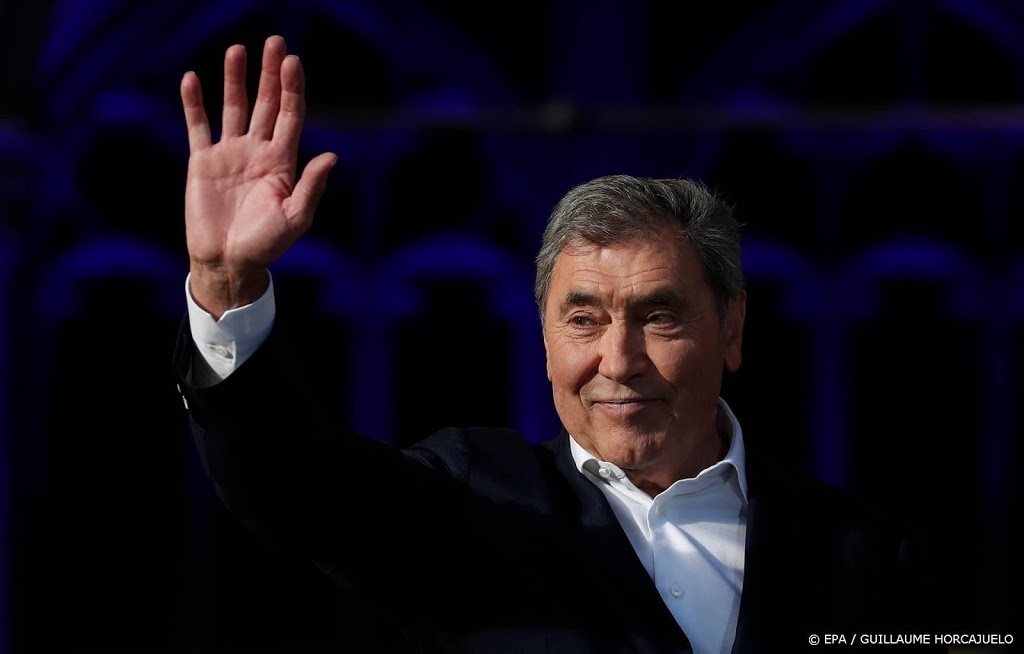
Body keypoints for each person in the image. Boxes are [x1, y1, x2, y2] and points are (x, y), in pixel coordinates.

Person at [173, 35, 946, 653]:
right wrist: (225, 282)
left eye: (660, 316)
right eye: (584, 320)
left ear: (732, 328)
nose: (619, 361)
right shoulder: (472, 504)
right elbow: (289, 483)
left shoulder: (864, 560)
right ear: (545, 340)